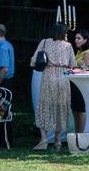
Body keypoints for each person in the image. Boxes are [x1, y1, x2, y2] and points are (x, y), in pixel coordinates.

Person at [31, 23, 76, 151]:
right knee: (60, 108)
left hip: (48, 77)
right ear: (62, 33)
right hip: (62, 78)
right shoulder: (68, 46)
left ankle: (44, 139)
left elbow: (34, 60)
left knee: (44, 106)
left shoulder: (44, 42)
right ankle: (57, 141)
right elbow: (72, 64)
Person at [70, 29, 89, 133]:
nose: (76, 40)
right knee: (75, 111)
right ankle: (77, 135)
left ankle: (81, 136)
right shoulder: (79, 52)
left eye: (79, 38)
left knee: (81, 111)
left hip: (82, 85)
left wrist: (71, 69)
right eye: (75, 38)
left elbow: (85, 69)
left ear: (85, 40)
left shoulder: (88, 52)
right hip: (74, 84)